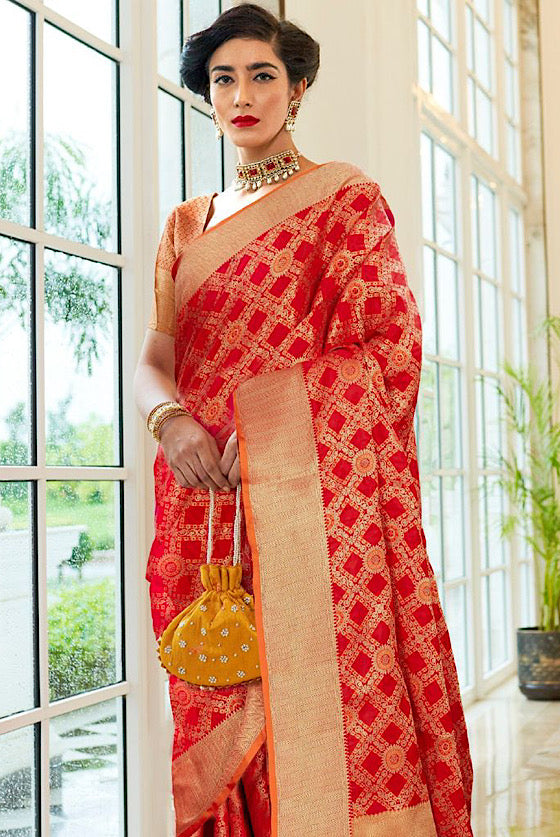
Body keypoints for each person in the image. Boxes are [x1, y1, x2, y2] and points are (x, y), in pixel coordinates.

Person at [134, 4, 474, 836]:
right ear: (205, 96)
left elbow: (388, 351)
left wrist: (269, 425)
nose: (242, 94)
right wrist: (172, 422)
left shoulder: (343, 202)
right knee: (220, 691)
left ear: (299, 87)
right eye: (223, 79)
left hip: (312, 501)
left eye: (262, 75)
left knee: (321, 701)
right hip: (203, 506)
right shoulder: (185, 227)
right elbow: (152, 361)